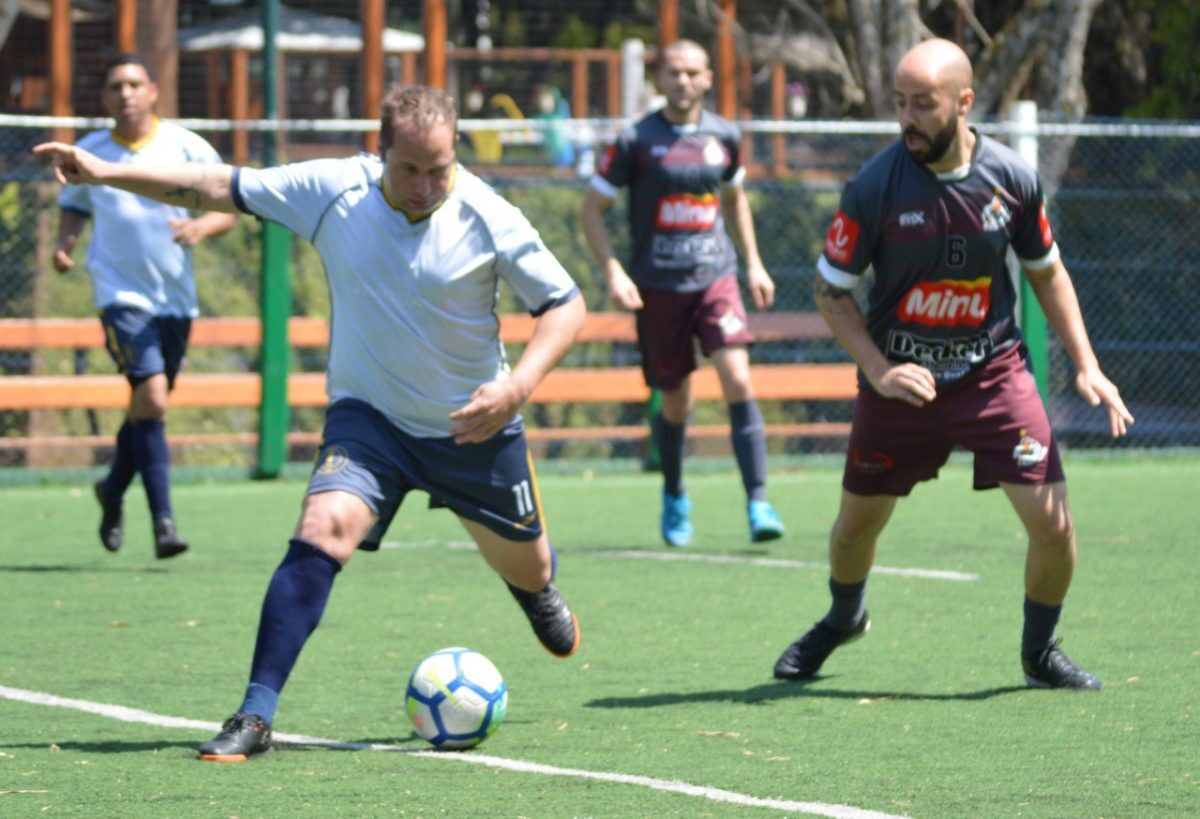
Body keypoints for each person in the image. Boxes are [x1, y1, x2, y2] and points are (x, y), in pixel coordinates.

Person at [36, 83, 586, 759]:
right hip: (370, 420)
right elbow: (215, 183)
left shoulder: (489, 214)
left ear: (456, 155)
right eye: (408, 168)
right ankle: (256, 714)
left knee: (530, 568)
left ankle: (532, 590)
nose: (423, 185)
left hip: (473, 426)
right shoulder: (332, 189)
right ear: (380, 149)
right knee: (322, 527)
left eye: (438, 169)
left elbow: (565, 304)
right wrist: (107, 171)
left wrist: (518, 385)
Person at [771, 39, 1133, 690]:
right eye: (900, 104)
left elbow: (1046, 274)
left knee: (1054, 525)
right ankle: (844, 615)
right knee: (855, 529)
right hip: (901, 385)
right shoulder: (874, 187)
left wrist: (1087, 364)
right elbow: (831, 291)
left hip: (992, 373)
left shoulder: (1012, 179)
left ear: (964, 102)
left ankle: (1039, 650)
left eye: (924, 104)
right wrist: (880, 370)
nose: (908, 118)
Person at [581, 39, 785, 548]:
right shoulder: (635, 140)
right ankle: (674, 492)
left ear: (709, 78)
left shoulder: (724, 136)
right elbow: (592, 210)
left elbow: (735, 201)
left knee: (738, 377)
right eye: (674, 73)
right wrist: (613, 272)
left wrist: (754, 263)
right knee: (676, 402)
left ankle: (758, 500)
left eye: (693, 73)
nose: (683, 82)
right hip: (658, 287)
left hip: (716, 275)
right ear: (659, 78)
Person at [53, 53, 237, 559]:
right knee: (152, 399)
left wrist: (203, 225)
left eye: (135, 83)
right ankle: (164, 523)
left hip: (175, 299)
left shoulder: (184, 145)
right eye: (116, 86)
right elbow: (73, 207)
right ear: (105, 97)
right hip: (120, 296)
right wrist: (65, 246)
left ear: (153, 90)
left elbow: (230, 205)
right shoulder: (90, 152)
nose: (126, 93)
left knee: (146, 407)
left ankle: (112, 489)